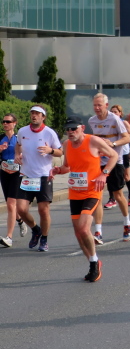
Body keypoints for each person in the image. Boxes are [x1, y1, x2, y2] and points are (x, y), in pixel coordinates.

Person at [49, 117, 118, 281]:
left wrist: (104, 174)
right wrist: (57, 170)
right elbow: (67, 166)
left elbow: (114, 155)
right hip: (75, 192)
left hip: (92, 191)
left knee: (83, 228)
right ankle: (93, 261)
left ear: (82, 128)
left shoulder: (93, 141)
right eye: (68, 129)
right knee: (78, 233)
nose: (70, 132)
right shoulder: (66, 144)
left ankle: (94, 264)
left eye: (74, 129)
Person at [15, 105, 63, 252]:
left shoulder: (49, 133)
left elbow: (60, 152)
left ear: (43, 117)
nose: (34, 116)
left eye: (37, 113)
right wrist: (17, 155)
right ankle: (36, 229)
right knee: (21, 209)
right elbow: (18, 145)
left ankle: (44, 239)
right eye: (32, 113)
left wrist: (50, 150)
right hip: (26, 175)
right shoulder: (22, 131)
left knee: (43, 210)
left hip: (44, 175)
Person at [88, 93, 130, 244]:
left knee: (118, 194)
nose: (97, 108)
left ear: (106, 105)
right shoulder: (92, 120)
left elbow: (127, 138)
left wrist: (112, 144)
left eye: (99, 105)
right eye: (95, 105)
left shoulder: (114, 119)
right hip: (98, 162)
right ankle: (98, 231)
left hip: (115, 161)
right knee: (98, 197)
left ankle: (127, 224)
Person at [0, 114, 24, 247]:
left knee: (10, 204)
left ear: (15, 123)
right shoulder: (0, 138)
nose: (5, 124)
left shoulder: (19, 138)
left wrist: (21, 155)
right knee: (11, 205)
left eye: (8, 122)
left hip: (17, 173)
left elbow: (26, 152)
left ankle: (9, 237)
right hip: (4, 172)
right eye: (3, 121)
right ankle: (20, 221)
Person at [110, 105, 130, 208]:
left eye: (116, 112)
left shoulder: (124, 123)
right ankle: (112, 199)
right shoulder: (109, 124)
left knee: (126, 176)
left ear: (120, 113)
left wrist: (121, 136)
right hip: (112, 152)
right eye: (112, 112)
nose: (114, 114)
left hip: (123, 152)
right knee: (111, 176)